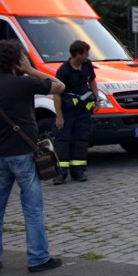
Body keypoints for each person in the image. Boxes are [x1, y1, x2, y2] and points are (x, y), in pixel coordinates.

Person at [0, 40, 66, 275]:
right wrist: (31, 70)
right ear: (17, 61)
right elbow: (60, 86)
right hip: (24, 155)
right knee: (32, 208)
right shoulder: (23, 83)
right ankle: (37, 258)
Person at [52, 40, 100, 184]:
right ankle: (61, 173)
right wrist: (59, 117)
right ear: (77, 54)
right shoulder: (63, 71)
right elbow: (56, 94)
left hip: (83, 110)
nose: (88, 55)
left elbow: (92, 81)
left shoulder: (87, 65)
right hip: (68, 111)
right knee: (63, 141)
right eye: (86, 53)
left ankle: (78, 171)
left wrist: (96, 99)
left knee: (81, 140)